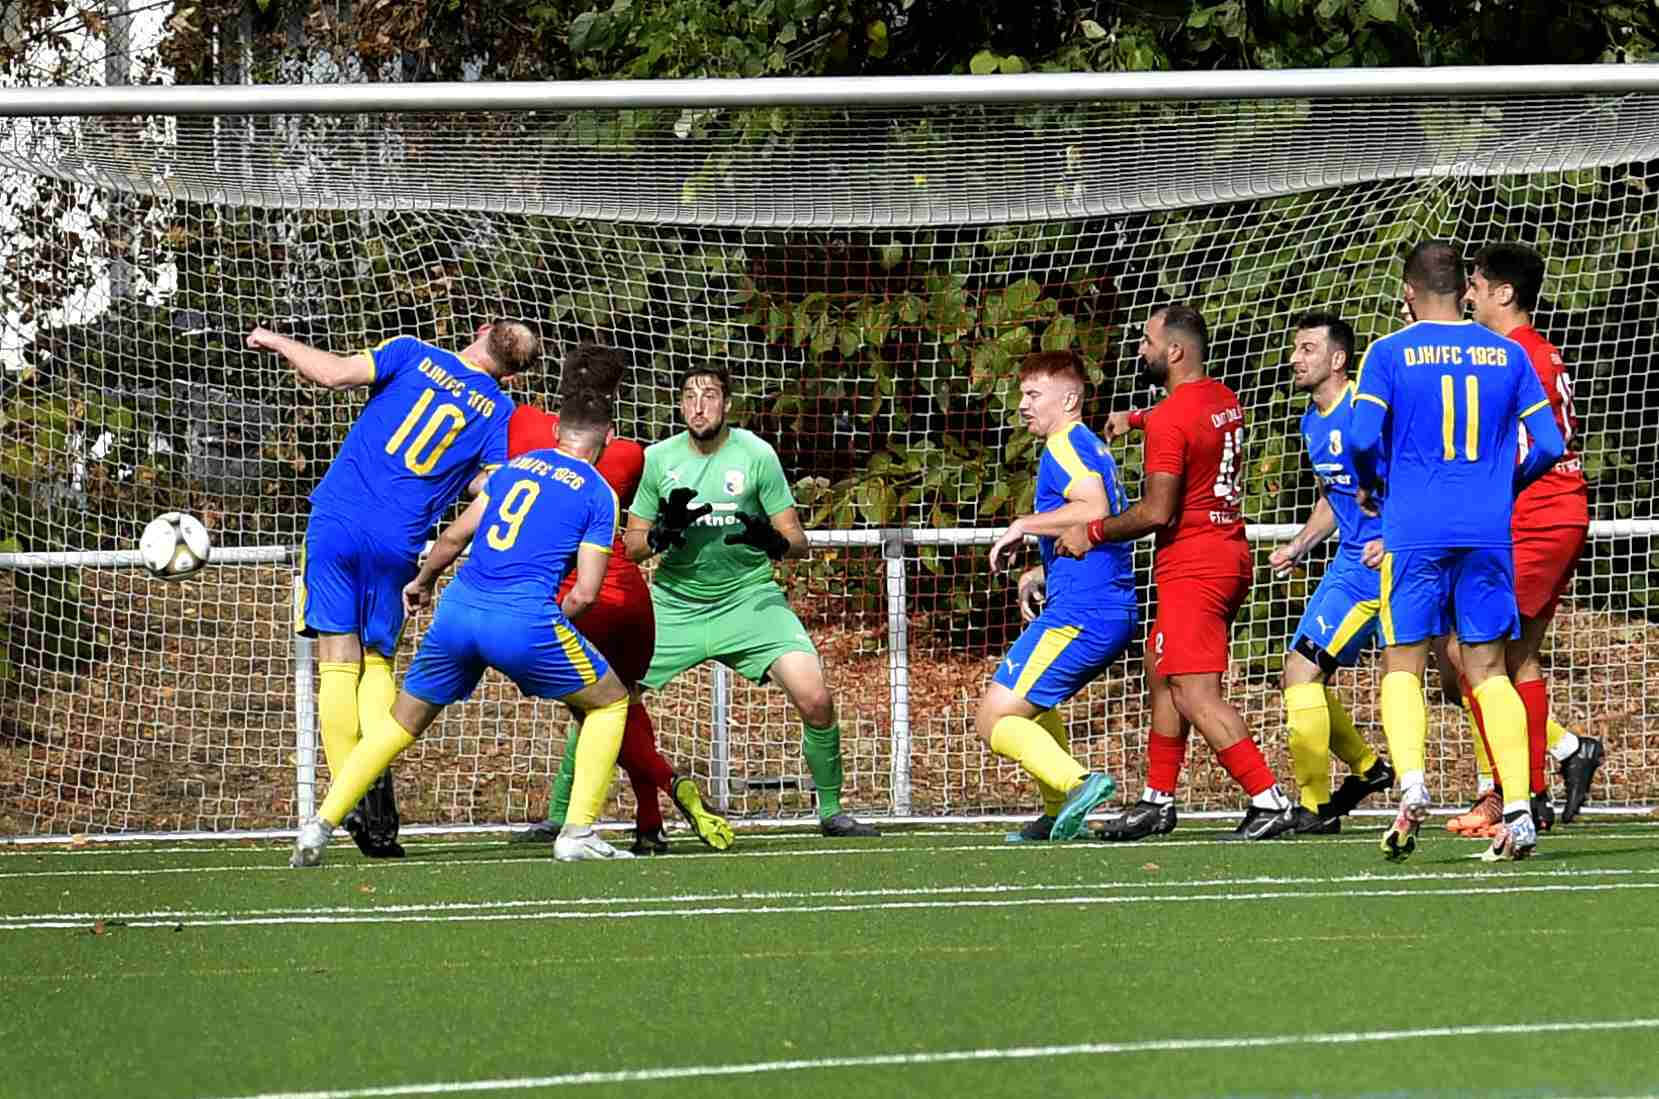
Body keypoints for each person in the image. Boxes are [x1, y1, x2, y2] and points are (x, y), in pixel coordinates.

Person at [290, 388, 635, 866]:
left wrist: (423, 581)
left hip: (458, 611)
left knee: (399, 722)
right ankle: (577, 831)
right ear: (609, 439)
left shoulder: (515, 467)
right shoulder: (599, 492)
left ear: (556, 430)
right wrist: (547, 633)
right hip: (524, 620)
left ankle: (319, 826)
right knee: (611, 701)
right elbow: (585, 593)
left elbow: (454, 535)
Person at [249, 320, 535, 859]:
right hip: (398, 539)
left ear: (479, 332)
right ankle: (372, 801)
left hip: (337, 520)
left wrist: (278, 340)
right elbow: (488, 485)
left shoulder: (410, 352)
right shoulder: (499, 413)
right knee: (377, 660)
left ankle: (350, 795)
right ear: (513, 376)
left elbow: (333, 375)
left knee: (337, 658)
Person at [1348, 240, 1565, 862]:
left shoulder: (1388, 352)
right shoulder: (1506, 352)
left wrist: (1375, 480)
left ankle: (1413, 786)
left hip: (1415, 525)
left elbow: (1363, 435)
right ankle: (1519, 808)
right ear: (1460, 290)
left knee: (1403, 662)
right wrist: (1502, 487)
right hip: (1486, 527)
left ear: (1409, 292)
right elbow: (1547, 443)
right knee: (1490, 668)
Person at [1059, 303, 1296, 841]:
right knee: (1162, 670)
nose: (1140, 349)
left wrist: (1090, 533)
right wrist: (1135, 418)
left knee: (1195, 691)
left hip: (1196, 566)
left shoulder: (1171, 420)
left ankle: (1268, 798)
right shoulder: (1221, 398)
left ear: (1174, 351)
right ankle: (1157, 801)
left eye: (1147, 340)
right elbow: (1187, 423)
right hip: (1225, 552)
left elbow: (1155, 512)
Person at [622, 364, 878, 838]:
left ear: (727, 404)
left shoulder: (757, 455)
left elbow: (797, 540)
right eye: (690, 397)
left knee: (814, 696)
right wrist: (661, 534)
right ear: (679, 405)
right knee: (605, 698)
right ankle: (563, 815)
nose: (699, 406)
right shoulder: (657, 459)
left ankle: (832, 810)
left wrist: (773, 542)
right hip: (675, 605)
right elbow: (632, 545)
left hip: (750, 602)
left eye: (710, 396)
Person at [508, 345, 732, 855]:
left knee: (597, 713)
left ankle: (671, 783)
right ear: (616, 398)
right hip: (632, 596)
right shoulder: (630, 453)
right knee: (625, 701)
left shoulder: (523, 427)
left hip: (578, 597)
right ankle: (649, 823)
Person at [1438, 243, 1604, 837]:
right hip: (1561, 509)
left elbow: (1538, 446)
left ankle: (1509, 792)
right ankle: (1535, 780)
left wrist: (1488, 489)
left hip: (1535, 514)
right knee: (1516, 657)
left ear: (1504, 293)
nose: (1469, 293)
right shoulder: (1536, 351)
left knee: (1472, 656)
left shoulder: (1512, 354)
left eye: (1477, 284)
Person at [983, 351, 1135, 842]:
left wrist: (1024, 525)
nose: (1023, 405)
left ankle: (1079, 783)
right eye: (1021, 395)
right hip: (1093, 603)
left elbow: (1094, 506)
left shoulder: (1066, 442)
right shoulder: (1084, 444)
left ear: (1068, 398)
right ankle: (1055, 814)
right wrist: (1040, 570)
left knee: (994, 718)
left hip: (1086, 612)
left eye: (1033, 394)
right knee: (1036, 706)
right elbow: (1090, 527)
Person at [1267, 312, 1394, 834]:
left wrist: (1395, 535)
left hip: (1398, 563)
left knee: (1459, 675)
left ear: (1338, 359)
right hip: (1351, 565)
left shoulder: (1369, 410)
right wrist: (1299, 545)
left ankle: (1548, 758)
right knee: (1300, 672)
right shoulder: (1311, 422)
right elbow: (1335, 496)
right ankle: (1334, 794)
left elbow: (1413, 471)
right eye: (1295, 349)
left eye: (1307, 349)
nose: (1295, 359)